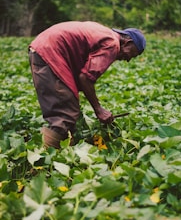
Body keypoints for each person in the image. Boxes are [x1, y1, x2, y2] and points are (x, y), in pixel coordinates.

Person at [28, 21, 146, 149]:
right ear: (127, 42)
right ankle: (41, 157)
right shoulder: (112, 44)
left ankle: (64, 149)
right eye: (132, 54)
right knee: (65, 114)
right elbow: (85, 78)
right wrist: (99, 110)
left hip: (42, 48)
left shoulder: (105, 33)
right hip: (50, 52)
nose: (128, 59)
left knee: (69, 104)